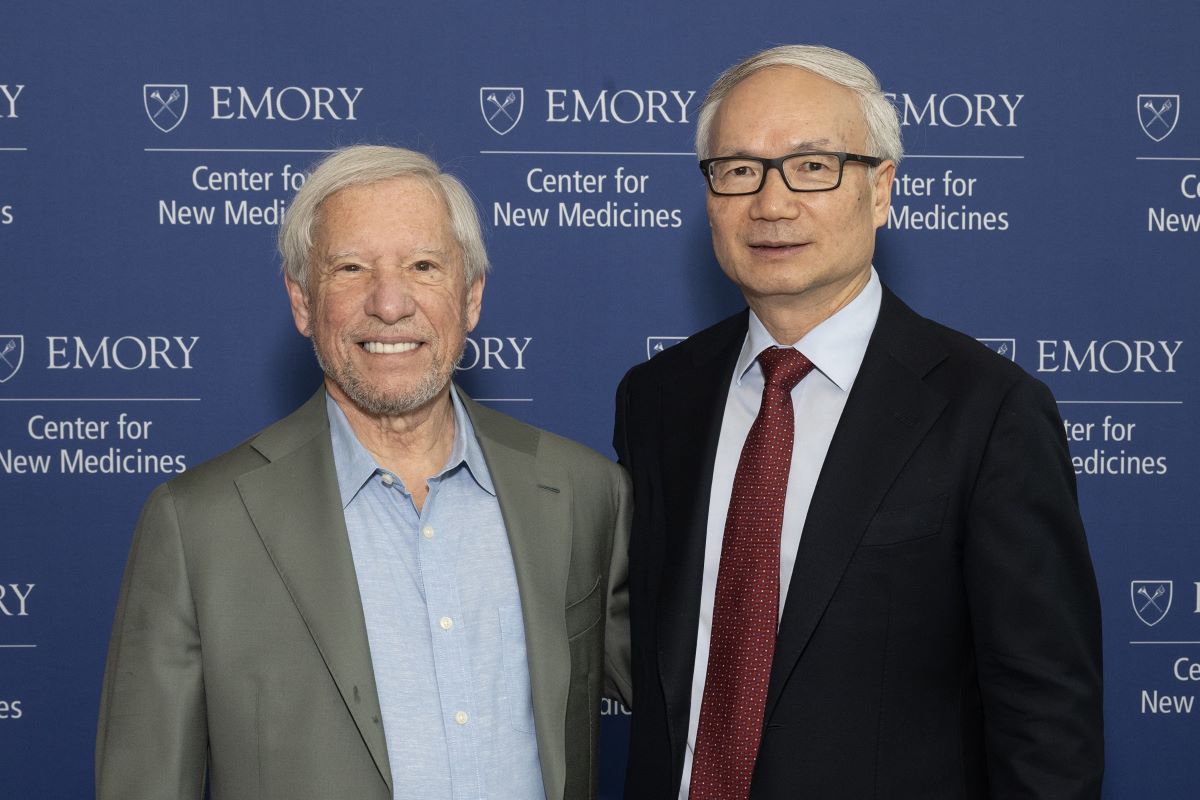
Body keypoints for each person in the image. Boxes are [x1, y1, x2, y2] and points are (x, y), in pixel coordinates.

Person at [614, 45, 1103, 799]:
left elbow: (1048, 720)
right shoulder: (656, 399)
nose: (771, 205)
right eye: (739, 169)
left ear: (881, 190)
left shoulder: (988, 412)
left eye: (813, 166)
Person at [96, 145, 631, 800]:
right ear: (301, 301)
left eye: (424, 266)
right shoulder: (198, 525)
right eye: (351, 268)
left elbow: (699, 699)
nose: (389, 302)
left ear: (471, 297)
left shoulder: (583, 493)